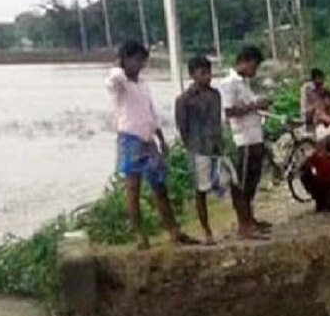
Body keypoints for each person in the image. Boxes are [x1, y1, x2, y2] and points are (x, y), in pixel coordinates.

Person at [106, 40, 195, 251]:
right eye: (136, 60)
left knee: (159, 187)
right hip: (130, 139)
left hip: (148, 139)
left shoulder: (142, 85)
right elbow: (113, 78)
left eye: (142, 61)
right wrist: (119, 65)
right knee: (133, 189)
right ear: (125, 60)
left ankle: (174, 230)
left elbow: (151, 114)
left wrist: (161, 139)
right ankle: (139, 235)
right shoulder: (120, 85)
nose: (140, 65)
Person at [220, 45, 273, 239]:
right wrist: (254, 105)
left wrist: (259, 104)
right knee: (241, 183)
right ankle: (244, 224)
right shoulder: (229, 83)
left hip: (254, 136)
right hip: (243, 139)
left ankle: (250, 219)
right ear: (246, 62)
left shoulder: (244, 84)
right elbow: (228, 111)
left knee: (251, 182)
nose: (255, 71)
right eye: (254, 66)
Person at [174, 54, 225, 245]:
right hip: (198, 149)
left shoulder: (215, 95)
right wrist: (192, 148)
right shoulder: (184, 100)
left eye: (209, 73)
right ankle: (206, 230)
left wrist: (219, 145)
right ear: (192, 75)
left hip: (216, 148)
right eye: (203, 73)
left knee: (230, 183)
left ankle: (243, 221)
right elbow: (182, 128)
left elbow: (217, 122)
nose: (207, 77)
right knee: (200, 191)